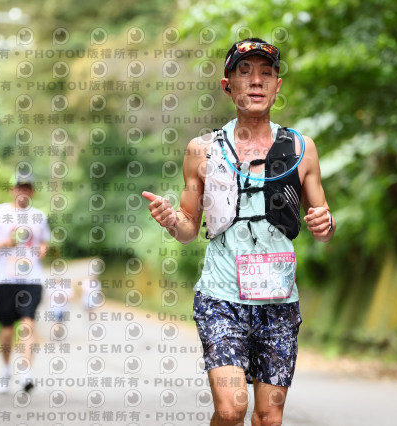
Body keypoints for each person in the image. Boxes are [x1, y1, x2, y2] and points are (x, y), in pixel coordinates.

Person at [143, 38, 336, 425]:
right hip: (221, 298)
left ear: (277, 86)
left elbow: (324, 224)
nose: (256, 81)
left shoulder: (301, 149)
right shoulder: (202, 150)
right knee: (231, 410)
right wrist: (171, 219)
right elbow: (188, 227)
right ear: (227, 85)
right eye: (244, 72)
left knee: (269, 417)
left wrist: (325, 223)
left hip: (279, 300)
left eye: (266, 73)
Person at [0, 173, 51, 393]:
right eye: (19, 187)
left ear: (32, 191)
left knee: (28, 323)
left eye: (27, 188)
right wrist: (4, 243)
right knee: (7, 329)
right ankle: (6, 369)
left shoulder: (38, 216)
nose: (23, 191)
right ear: (12, 190)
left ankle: (26, 373)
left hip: (31, 279)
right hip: (5, 278)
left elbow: (44, 242)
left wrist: (41, 251)